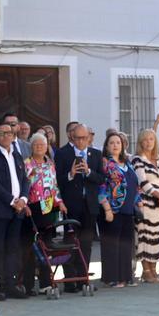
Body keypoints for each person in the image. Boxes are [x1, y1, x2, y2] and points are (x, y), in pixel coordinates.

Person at [0, 119, 31, 300]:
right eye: (1, 133)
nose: (5, 136)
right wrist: (12, 200)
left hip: (17, 210)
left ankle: (11, 284)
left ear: (13, 135)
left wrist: (23, 199)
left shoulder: (16, 155)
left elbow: (25, 179)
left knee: (12, 248)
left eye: (9, 133)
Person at [54, 124, 104, 290]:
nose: (81, 141)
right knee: (70, 242)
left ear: (89, 137)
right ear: (72, 138)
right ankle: (70, 280)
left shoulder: (96, 154)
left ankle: (83, 278)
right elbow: (58, 180)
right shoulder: (62, 154)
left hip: (89, 206)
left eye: (84, 138)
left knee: (86, 243)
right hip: (71, 206)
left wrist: (89, 172)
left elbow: (101, 178)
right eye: (77, 138)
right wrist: (71, 174)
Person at [23, 133, 63, 294]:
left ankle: (46, 282)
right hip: (31, 206)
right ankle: (28, 284)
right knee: (30, 246)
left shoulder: (50, 164)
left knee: (46, 244)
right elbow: (22, 184)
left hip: (47, 206)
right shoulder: (26, 164)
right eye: (36, 145)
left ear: (47, 147)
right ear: (31, 147)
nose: (39, 147)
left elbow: (54, 186)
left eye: (42, 145)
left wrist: (60, 202)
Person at [97, 132, 139, 287]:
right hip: (112, 210)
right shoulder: (105, 163)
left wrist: (138, 201)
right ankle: (112, 278)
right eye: (112, 143)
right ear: (107, 146)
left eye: (118, 143)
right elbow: (101, 188)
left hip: (128, 210)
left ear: (122, 146)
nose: (115, 145)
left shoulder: (127, 163)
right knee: (112, 245)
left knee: (126, 244)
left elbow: (134, 184)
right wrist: (107, 209)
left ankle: (126, 277)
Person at [131, 129, 159, 283]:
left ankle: (153, 269)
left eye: (151, 139)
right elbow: (143, 182)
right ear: (140, 142)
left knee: (157, 238)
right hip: (145, 204)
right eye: (145, 139)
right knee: (145, 238)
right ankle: (146, 271)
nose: (148, 142)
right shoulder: (137, 160)